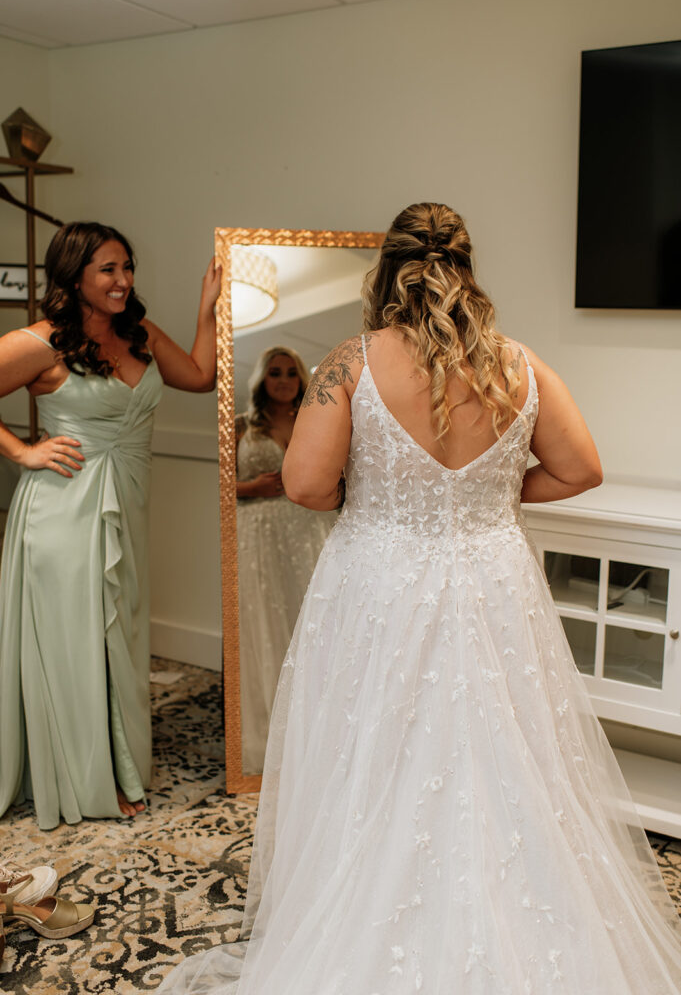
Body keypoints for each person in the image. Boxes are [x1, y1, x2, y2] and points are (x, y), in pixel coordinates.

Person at [156, 203, 681, 994]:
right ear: (466, 269)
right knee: (502, 754)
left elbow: (302, 485)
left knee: (374, 750)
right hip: (491, 578)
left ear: (385, 271)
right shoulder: (521, 365)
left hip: (380, 580)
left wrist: (390, 496)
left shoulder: (350, 364)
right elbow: (580, 470)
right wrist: (486, 498)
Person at [0, 221, 221, 831]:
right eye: (108, 270)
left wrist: (207, 311)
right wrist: (22, 453)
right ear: (74, 278)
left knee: (116, 638)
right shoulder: (39, 345)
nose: (124, 281)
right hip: (62, 512)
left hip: (126, 503)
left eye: (128, 268)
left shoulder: (140, 334)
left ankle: (117, 761)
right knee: (78, 641)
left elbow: (200, 377)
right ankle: (88, 775)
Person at [235, 347, 337, 775]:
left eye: (290, 373)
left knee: (312, 621)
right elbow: (218, 484)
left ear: (300, 380)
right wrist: (250, 488)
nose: (282, 380)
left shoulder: (317, 420)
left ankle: (320, 731)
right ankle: (270, 729)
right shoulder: (242, 425)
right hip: (258, 534)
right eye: (274, 372)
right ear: (261, 379)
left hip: (308, 530)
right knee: (266, 623)